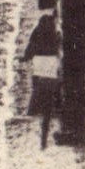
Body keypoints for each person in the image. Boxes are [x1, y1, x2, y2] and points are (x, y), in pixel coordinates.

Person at [23, 8, 61, 148]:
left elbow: (31, 45)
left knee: (38, 90)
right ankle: (53, 110)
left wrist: (26, 57)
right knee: (52, 95)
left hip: (39, 67)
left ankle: (34, 110)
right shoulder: (56, 32)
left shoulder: (38, 30)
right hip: (51, 67)